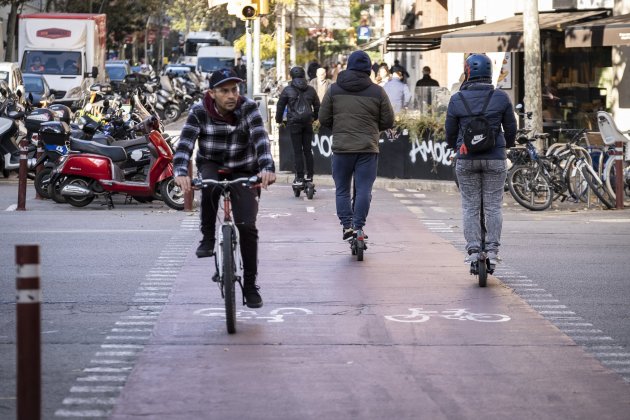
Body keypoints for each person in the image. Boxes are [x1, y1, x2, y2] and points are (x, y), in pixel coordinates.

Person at [173, 68, 276, 309]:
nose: (232, 95)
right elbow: (185, 144)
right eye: (225, 91)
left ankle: (250, 286)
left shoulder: (248, 108)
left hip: (244, 168)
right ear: (212, 93)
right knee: (209, 186)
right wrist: (180, 172)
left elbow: (261, 139)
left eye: (235, 90)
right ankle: (208, 237)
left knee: (247, 226)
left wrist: (267, 168)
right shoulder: (199, 112)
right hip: (213, 163)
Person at [445, 53, 517, 267]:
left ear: (468, 73)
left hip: (466, 158)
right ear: (489, 73)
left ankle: (474, 250)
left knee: (470, 206)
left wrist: (454, 146)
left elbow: (449, 131)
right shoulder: (501, 98)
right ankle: (493, 250)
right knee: (493, 206)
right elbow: (511, 128)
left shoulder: (457, 99)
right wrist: (507, 145)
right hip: (495, 158)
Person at [318, 50, 395, 241]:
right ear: (369, 69)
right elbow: (388, 120)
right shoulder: (377, 91)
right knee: (363, 190)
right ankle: (358, 226)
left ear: (348, 66)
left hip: (342, 148)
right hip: (367, 148)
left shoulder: (334, 89)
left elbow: (323, 118)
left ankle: (346, 226)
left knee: (342, 189)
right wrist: (374, 129)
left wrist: (338, 128)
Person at [275, 66, 320, 186]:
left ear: (292, 76)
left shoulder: (287, 90)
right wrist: (314, 117)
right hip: (307, 123)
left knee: (297, 151)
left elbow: (280, 106)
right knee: (307, 150)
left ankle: (299, 177)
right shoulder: (311, 89)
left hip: (294, 123)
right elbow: (317, 106)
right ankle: (310, 175)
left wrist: (278, 120)